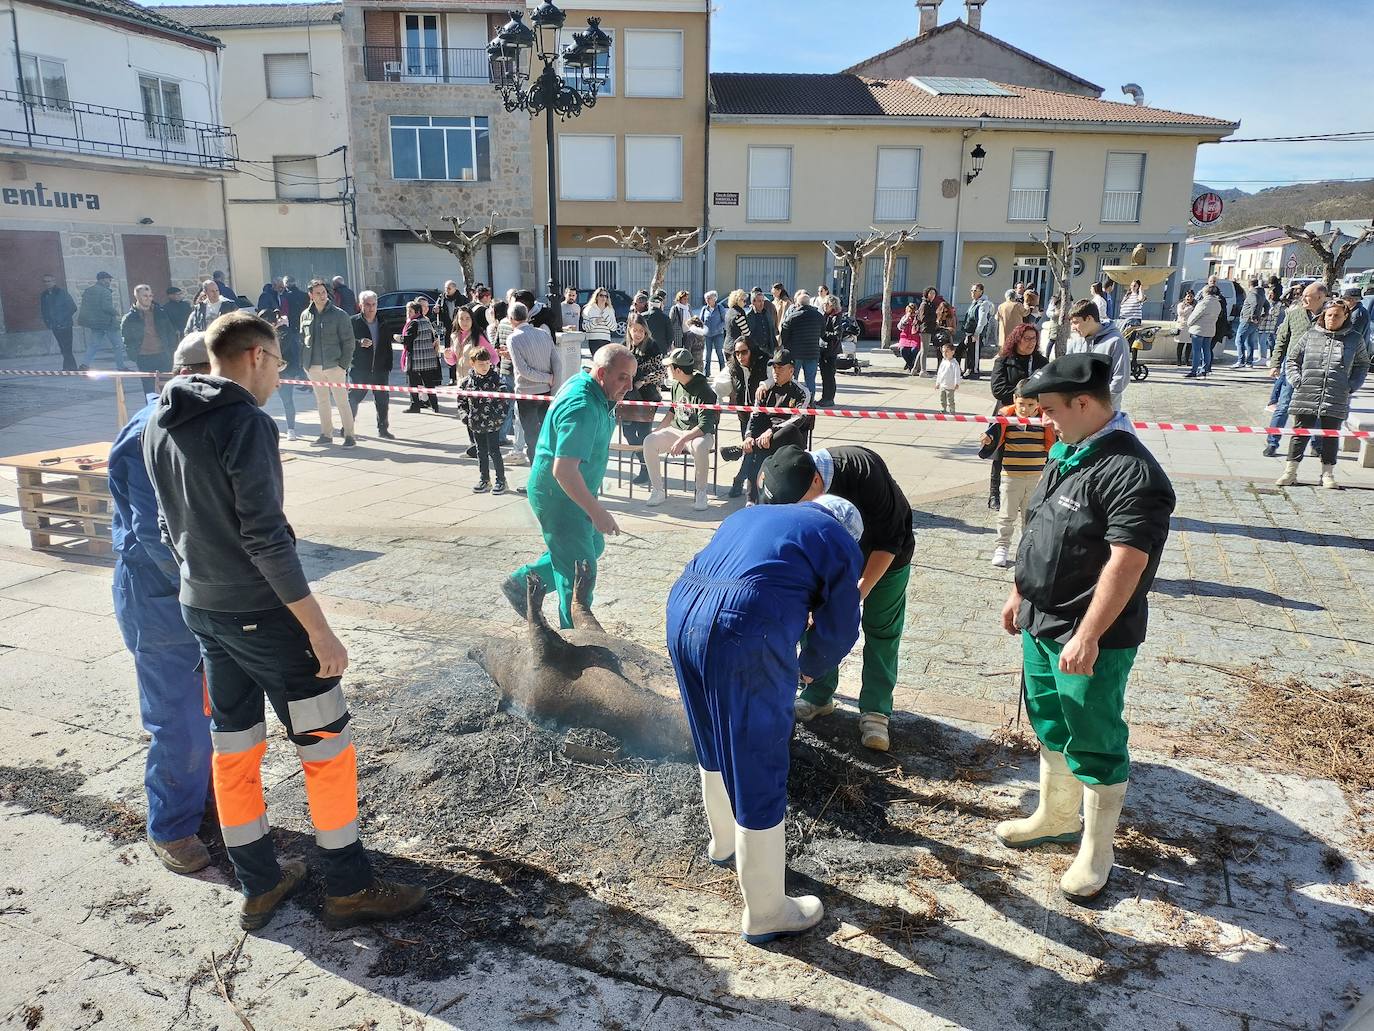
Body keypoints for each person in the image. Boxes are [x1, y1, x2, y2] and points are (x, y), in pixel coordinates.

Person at [143, 311, 426, 930]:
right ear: (252, 357)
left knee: (235, 747)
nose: (279, 376)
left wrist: (203, 579)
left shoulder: (157, 421)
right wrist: (318, 629)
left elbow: (168, 526)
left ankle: (260, 885)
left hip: (204, 609)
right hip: (263, 615)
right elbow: (267, 539)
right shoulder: (245, 420)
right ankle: (348, 890)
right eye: (276, 363)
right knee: (327, 744)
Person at [996, 352, 1175, 905]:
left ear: (1083, 403)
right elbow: (1037, 533)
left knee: (1093, 733)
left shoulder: (1133, 472)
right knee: (1050, 719)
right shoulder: (1069, 451)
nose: (1044, 420)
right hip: (1041, 620)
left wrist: (1090, 634)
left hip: (1089, 633)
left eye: (1050, 409)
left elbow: (1127, 562)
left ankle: (1098, 851)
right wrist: (1017, 593)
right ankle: (1054, 815)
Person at [667, 497, 862, 944]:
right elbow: (841, 627)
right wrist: (808, 667)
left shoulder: (752, 513)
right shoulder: (837, 539)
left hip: (682, 608)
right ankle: (767, 908)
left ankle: (724, 844)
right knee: (758, 758)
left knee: (711, 736)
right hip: (745, 625)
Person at [110, 332, 214, 875]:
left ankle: (207, 799)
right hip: (159, 599)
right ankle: (171, 826)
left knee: (213, 707)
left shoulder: (204, 424)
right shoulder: (147, 433)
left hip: (200, 592)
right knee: (178, 716)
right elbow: (156, 534)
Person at [763, 444, 915, 753]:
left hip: (883, 557)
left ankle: (875, 711)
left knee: (881, 629)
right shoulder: (788, 477)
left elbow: (890, 540)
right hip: (826, 557)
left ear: (817, 482)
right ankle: (818, 696)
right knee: (813, 621)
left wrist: (857, 593)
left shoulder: (863, 470)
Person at [503, 344, 637, 627]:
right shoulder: (583, 406)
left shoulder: (594, 389)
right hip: (559, 496)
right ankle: (574, 637)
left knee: (592, 545)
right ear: (601, 373)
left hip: (569, 492)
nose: (630, 385)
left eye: (631, 377)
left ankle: (523, 583)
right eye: (623, 377)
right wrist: (597, 510)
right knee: (579, 569)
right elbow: (563, 471)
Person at [1276, 302, 1369, 489]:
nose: (1332, 319)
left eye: (1337, 316)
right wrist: (1297, 380)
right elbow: (1293, 358)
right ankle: (1290, 472)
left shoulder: (1354, 339)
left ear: (1345, 317)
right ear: (1323, 316)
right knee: (1300, 433)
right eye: (1329, 315)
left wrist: (1351, 386)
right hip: (1307, 392)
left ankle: (1327, 474)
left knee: (1331, 435)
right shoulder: (1310, 335)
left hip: (1336, 394)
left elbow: (1362, 364)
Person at [721, 349, 812, 505]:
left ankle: (742, 449)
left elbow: (798, 419)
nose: (775, 371)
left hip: (790, 438)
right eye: (774, 367)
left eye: (780, 368)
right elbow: (755, 417)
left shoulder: (802, 392)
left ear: (791, 370)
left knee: (785, 431)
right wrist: (749, 436)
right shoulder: (765, 390)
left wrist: (771, 431)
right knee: (754, 448)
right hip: (764, 440)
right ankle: (751, 501)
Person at [981, 379, 1055, 568]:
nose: (1025, 409)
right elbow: (992, 435)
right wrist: (987, 439)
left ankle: (1027, 549)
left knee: (1030, 515)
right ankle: (1002, 547)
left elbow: (1057, 441)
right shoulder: (1007, 417)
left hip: (1036, 476)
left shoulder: (1044, 420)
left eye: (1031, 404)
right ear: (1014, 399)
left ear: (1038, 403)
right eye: (1021, 403)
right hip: (1011, 475)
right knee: (1007, 514)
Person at [644, 348, 717, 511]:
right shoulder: (676, 385)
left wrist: (682, 440)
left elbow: (705, 425)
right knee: (649, 441)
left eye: (669, 367)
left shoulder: (705, 390)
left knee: (699, 446)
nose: (667, 370)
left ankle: (701, 492)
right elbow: (672, 412)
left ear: (677, 369)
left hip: (699, 434)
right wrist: (657, 432)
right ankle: (658, 490)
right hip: (677, 431)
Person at [299, 278, 357, 444]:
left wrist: (343, 366)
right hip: (313, 367)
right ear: (311, 295)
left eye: (323, 292)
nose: (322, 295)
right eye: (318, 293)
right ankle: (326, 434)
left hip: (334, 366)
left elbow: (349, 342)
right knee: (322, 402)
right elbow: (303, 340)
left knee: (342, 402)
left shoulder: (340, 314)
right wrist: (305, 365)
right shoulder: (305, 315)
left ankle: (349, 435)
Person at [508, 301, 560, 463]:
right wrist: (553, 383)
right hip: (545, 392)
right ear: (527, 315)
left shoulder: (513, 338)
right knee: (547, 436)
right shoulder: (543, 334)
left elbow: (523, 370)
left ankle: (536, 480)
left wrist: (548, 379)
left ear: (511, 319)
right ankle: (548, 476)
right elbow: (557, 362)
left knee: (532, 439)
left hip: (527, 394)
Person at [456, 345, 511, 495]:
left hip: (492, 423)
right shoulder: (467, 382)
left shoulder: (497, 380)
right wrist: (465, 417)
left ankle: (501, 480)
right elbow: (461, 400)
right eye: (481, 364)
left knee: (495, 451)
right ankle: (484, 479)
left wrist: (499, 418)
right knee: (481, 452)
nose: (485, 367)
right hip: (475, 423)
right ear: (472, 363)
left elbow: (504, 402)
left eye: (487, 363)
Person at [619, 319, 663, 486]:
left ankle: (647, 469)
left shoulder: (652, 346)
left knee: (644, 435)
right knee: (628, 433)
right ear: (629, 329)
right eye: (634, 330)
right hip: (628, 397)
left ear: (645, 331)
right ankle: (645, 463)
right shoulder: (625, 346)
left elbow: (661, 372)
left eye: (640, 330)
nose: (637, 334)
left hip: (648, 397)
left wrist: (642, 381)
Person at [724, 334, 767, 498]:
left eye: (744, 352)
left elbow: (772, 378)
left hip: (763, 416)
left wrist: (764, 384)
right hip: (744, 415)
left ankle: (740, 481)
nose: (740, 356)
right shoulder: (733, 366)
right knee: (750, 450)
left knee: (752, 451)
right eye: (737, 353)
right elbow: (720, 385)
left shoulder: (764, 362)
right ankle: (747, 486)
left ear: (752, 350)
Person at [1065, 299, 1129, 410]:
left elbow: (1120, 378)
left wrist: (1100, 402)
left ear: (1089, 318)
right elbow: (1067, 371)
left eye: (1076, 322)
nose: (1073, 328)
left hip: (1104, 411)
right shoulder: (1076, 340)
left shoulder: (1116, 341)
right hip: (1078, 409)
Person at [348, 291, 394, 440]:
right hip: (360, 369)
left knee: (382, 401)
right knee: (354, 399)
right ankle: (347, 428)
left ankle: (383, 429)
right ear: (361, 305)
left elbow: (388, 345)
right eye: (367, 305)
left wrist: (388, 365)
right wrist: (359, 342)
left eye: (373, 304)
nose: (371, 308)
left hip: (380, 370)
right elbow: (345, 342)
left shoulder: (383, 322)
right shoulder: (353, 322)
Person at [120, 284, 176, 396]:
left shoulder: (160, 313)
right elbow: (126, 338)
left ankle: (167, 411)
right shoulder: (130, 318)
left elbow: (170, 332)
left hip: (162, 355)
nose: (149, 298)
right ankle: (151, 412)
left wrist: (171, 350)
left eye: (150, 296)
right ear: (137, 297)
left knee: (167, 388)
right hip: (144, 357)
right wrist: (133, 353)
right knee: (149, 390)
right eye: (145, 296)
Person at [78, 271, 131, 369]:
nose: (110, 281)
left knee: (93, 345)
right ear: (102, 280)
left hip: (95, 323)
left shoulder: (88, 291)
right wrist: (116, 313)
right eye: (108, 279)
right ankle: (121, 366)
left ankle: (84, 364)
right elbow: (106, 307)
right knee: (118, 345)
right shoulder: (105, 291)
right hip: (108, 323)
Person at [264, 308, 303, 441]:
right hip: (267, 372)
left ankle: (291, 429)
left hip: (284, 372)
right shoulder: (262, 335)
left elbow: (278, 351)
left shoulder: (284, 332)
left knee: (287, 400)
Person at [399, 299, 443, 415]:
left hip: (415, 358)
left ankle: (415, 406)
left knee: (412, 383)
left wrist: (398, 338)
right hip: (428, 358)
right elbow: (433, 338)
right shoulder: (426, 321)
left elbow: (407, 340)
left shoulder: (413, 323)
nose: (408, 313)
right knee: (429, 383)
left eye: (410, 311)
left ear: (417, 311)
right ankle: (435, 406)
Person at [779, 290, 825, 398]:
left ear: (798, 304)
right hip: (813, 353)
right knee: (810, 380)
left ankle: (793, 399)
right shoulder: (819, 316)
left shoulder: (792, 317)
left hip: (796, 353)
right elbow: (822, 333)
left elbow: (784, 335)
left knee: (793, 379)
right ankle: (810, 402)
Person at [39, 273, 79, 371]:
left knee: (67, 348)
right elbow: (44, 310)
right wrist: (48, 322)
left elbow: (73, 307)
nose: (47, 283)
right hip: (54, 326)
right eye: (45, 281)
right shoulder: (44, 295)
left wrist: (62, 320)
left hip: (65, 325)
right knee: (62, 347)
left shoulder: (62, 292)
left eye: (49, 281)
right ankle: (69, 367)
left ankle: (70, 368)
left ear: (54, 281)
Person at [1184, 286, 1222, 379]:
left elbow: (1194, 316)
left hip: (1198, 329)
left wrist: (1189, 323)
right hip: (1210, 329)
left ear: (1206, 293)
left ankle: (1194, 371)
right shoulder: (1217, 303)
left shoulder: (1204, 303)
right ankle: (1205, 370)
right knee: (1206, 350)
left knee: (1196, 351)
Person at [1232, 277, 1269, 369]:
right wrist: (1264, 314)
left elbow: (1255, 304)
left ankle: (1241, 361)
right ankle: (1249, 361)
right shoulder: (1261, 293)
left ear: (1249, 285)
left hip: (1247, 319)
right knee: (1250, 342)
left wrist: (1253, 316)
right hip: (1254, 322)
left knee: (1239, 340)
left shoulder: (1253, 293)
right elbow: (1267, 304)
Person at [962, 283, 996, 379]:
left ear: (981, 291)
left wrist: (977, 333)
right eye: (971, 290)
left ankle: (974, 371)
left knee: (975, 353)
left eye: (975, 291)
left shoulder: (983, 303)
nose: (972, 292)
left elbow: (982, 320)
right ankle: (969, 369)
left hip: (976, 333)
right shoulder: (975, 302)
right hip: (969, 332)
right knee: (969, 352)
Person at [817, 295, 842, 405]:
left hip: (830, 350)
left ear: (831, 305)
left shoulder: (836, 317)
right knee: (825, 375)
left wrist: (823, 334)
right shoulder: (826, 315)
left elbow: (837, 335)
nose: (823, 306)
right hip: (824, 350)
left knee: (829, 375)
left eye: (825, 304)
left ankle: (829, 398)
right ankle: (825, 397)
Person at [582, 287, 618, 357]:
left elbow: (614, 328)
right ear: (596, 297)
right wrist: (595, 321)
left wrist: (606, 318)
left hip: (606, 339)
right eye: (601, 295)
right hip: (593, 340)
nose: (603, 298)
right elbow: (585, 327)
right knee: (597, 361)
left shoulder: (610, 310)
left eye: (606, 296)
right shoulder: (588, 309)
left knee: (605, 362)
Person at [1254, 284, 1283, 369]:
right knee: (1260, 341)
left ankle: (1263, 358)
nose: (1270, 295)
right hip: (1263, 325)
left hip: (1268, 325)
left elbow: (1271, 314)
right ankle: (1261, 357)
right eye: (1269, 293)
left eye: (1271, 293)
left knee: (1262, 341)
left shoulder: (1277, 304)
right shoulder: (1269, 302)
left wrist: (1263, 315)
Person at [915, 287, 943, 375]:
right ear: (926, 294)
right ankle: (923, 370)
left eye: (934, 293)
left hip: (929, 329)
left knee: (923, 350)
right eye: (930, 293)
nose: (932, 295)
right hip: (925, 329)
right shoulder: (924, 304)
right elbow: (923, 318)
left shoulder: (930, 304)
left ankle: (915, 369)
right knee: (925, 350)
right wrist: (934, 319)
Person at [699, 290, 727, 375]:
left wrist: (718, 328)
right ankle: (706, 373)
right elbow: (701, 321)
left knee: (719, 353)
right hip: (707, 335)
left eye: (709, 298)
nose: (707, 300)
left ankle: (723, 372)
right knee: (708, 354)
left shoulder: (720, 308)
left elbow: (724, 321)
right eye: (706, 298)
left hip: (718, 334)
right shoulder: (704, 309)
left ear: (714, 299)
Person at [724, 289, 754, 358]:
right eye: (744, 300)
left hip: (727, 346)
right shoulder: (739, 314)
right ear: (738, 300)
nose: (745, 303)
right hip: (736, 348)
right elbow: (747, 333)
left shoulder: (729, 312)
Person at [934, 341, 962, 413]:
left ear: (952, 352)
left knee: (950, 399)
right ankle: (943, 408)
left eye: (947, 351)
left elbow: (957, 374)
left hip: (950, 385)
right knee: (942, 398)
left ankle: (952, 410)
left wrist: (957, 383)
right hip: (943, 384)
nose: (945, 353)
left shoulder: (954, 363)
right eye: (943, 352)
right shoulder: (943, 362)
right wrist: (937, 383)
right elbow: (940, 373)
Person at [642, 291, 673, 355]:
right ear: (660, 305)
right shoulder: (666, 318)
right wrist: (667, 346)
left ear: (649, 304)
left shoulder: (642, 316)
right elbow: (670, 336)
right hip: (661, 350)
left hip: (644, 349)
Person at [896, 302, 922, 374]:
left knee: (914, 350)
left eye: (913, 311)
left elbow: (920, 328)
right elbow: (899, 327)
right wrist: (906, 319)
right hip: (905, 338)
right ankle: (911, 365)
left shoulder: (918, 318)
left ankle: (910, 365)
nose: (911, 313)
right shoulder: (905, 317)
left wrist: (916, 319)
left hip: (915, 337)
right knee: (903, 350)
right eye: (910, 311)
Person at [1174, 289, 1196, 366]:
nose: (1189, 298)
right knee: (1180, 344)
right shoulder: (1180, 304)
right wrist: (1189, 308)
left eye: (1191, 296)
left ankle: (1187, 360)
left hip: (1190, 327)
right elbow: (1181, 313)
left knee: (1189, 344)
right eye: (1188, 296)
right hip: (1182, 326)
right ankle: (1178, 360)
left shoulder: (1195, 305)